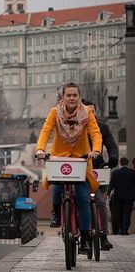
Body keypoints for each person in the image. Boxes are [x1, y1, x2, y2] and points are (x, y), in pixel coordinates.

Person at [35, 82, 101, 254]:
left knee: (82, 197)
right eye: (68, 95)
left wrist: (95, 150)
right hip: (60, 157)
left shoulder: (87, 113)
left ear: (79, 97)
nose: (72, 98)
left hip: (82, 158)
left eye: (75, 95)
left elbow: (95, 133)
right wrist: (40, 149)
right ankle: (56, 212)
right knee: (57, 183)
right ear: (63, 97)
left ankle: (86, 238)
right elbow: (45, 131)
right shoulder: (54, 113)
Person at [82, 99, 118, 250]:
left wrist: (113, 158)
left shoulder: (103, 128)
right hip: (81, 169)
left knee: (102, 202)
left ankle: (104, 236)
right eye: (87, 111)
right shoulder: (78, 128)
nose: (91, 114)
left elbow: (110, 144)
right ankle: (82, 233)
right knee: (81, 201)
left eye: (93, 111)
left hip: (98, 168)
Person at [108, 157, 135, 235]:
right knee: (127, 214)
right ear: (128, 163)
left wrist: (108, 193)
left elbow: (111, 184)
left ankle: (120, 228)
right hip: (129, 197)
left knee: (119, 213)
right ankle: (125, 230)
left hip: (118, 197)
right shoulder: (132, 172)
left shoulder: (115, 173)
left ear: (120, 163)